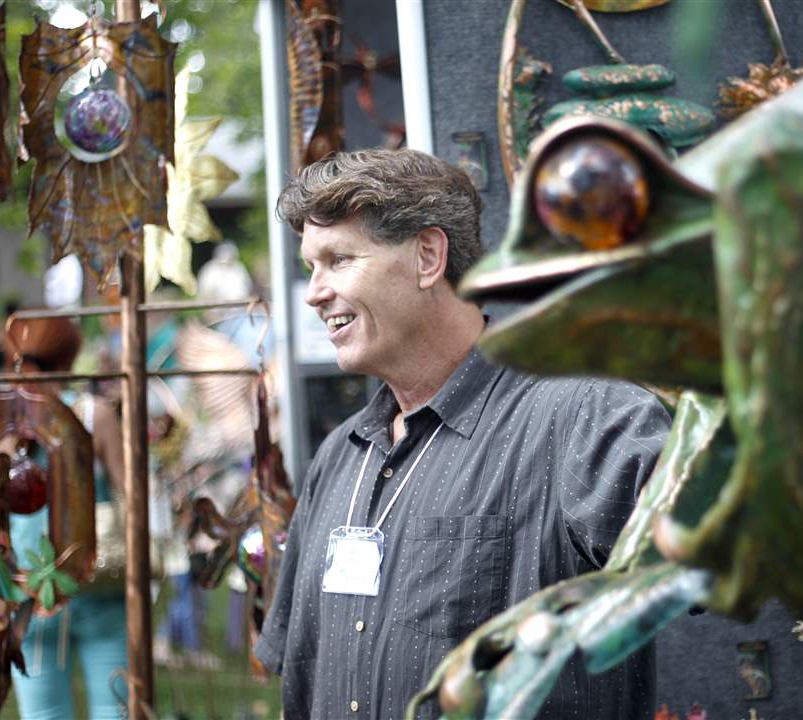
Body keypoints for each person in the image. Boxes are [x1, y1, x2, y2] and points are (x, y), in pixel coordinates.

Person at [256, 149, 672, 719]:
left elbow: (708, 536)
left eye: (339, 260)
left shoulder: (582, 418)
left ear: (428, 256)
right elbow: (301, 677)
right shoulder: (339, 455)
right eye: (311, 266)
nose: (314, 291)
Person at [4, 316, 129, 720]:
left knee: (43, 715)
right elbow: (133, 499)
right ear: (71, 359)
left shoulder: (6, 426)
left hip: (31, 595)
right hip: (98, 584)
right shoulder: (94, 416)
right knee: (115, 709)